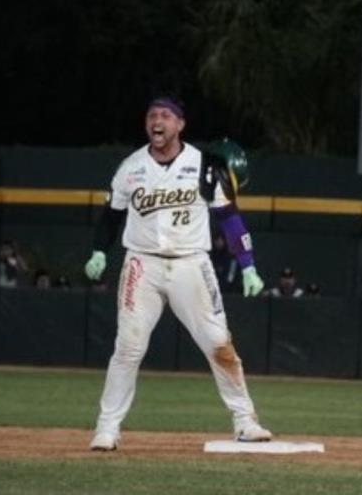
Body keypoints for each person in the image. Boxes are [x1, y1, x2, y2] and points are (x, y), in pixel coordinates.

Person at [82, 97, 271, 451]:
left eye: (165, 116)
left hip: (191, 264)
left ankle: (245, 422)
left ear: (180, 124)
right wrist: (98, 251)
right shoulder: (131, 167)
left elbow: (229, 217)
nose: (157, 120)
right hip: (142, 263)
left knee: (218, 343)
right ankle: (107, 428)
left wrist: (248, 265)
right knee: (128, 347)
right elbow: (111, 215)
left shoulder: (204, 165)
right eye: (152, 115)